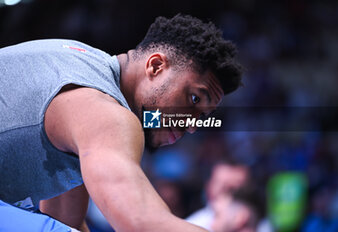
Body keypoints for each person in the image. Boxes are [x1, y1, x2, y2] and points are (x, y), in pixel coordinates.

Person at [0, 14, 242, 231]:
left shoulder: (85, 72)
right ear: (156, 66)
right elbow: (141, 222)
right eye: (193, 98)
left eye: (202, 116)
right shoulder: (105, 111)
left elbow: (65, 220)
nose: (191, 125)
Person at [186, 162, 250, 230]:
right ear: (209, 185)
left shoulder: (260, 227)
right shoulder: (193, 225)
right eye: (224, 186)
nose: (230, 196)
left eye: (235, 188)